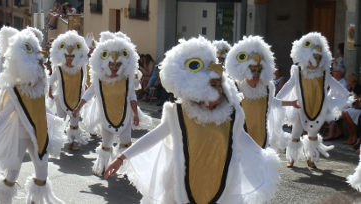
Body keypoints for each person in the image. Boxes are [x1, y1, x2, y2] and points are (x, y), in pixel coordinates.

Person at [104, 36, 280, 203]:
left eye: (219, 86)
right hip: (181, 186)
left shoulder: (231, 115)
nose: (217, 91)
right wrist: (122, 158)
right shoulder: (179, 113)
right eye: (212, 86)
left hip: (218, 184)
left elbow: (243, 140)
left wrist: (265, 160)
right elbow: (154, 136)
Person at [0, 29, 64, 204]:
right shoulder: (15, 90)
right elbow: (4, 116)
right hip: (20, 135)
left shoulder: (41, 84)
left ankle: (34, 201)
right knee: (13, 173)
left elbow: (41, 107)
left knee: (42, 174)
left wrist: (54, 120)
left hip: (39, 134)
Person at [72, 31, 152, 176]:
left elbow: (132, 98)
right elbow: (88, 94)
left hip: (125, 117)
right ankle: (103, 167)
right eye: (111, 65)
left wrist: (135, 115)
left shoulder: (127, 79)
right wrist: (78, 107)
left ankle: (128, 170)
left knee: (126, 143)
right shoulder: (99, 80)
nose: (114, 68)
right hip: (106, 117)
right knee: (106, 144)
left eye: (118, 65)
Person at [275, 32, 352, 168]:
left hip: (317, 107)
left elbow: (334, 84)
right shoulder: (298, 71)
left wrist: (347, 95)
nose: (315, 61)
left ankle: (311, 158)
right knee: (296, 132)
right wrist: (276, 99)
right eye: (313, 57)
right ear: (305, 57)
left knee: (313, 134)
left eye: (318, 58)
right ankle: (292, 158)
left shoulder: (323, 73)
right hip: (300, 107)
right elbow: (288, 85)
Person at [225, 35, 300, 149]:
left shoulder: (266, 88)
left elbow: (271, 102)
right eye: (252, 70)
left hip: (262, 138)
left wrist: (291, 103)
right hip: (241, 140)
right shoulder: (235, 87)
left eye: (259, 70)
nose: (256, 74)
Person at [48, 30, 89, 150]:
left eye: (72, 57)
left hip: (77, 98)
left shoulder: (80, 69)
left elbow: (84, 80)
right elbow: (52, 79)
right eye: (67, 57)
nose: (69, 59)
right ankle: (57, 141)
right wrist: (50, 91)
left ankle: (71, 142)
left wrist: (85, 89)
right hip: (61, 98)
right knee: (60, 120)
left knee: (75, 121)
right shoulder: (60, 69)